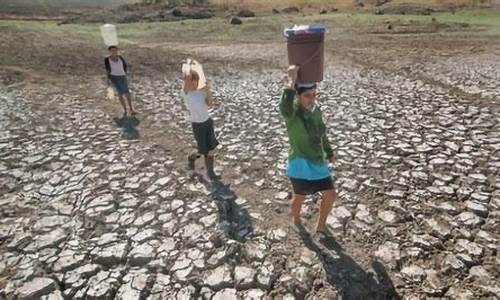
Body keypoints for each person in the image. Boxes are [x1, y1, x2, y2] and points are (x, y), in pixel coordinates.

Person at [279, 65, 336, 237]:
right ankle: (296, 220)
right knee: (299, 198)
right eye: (306, 96)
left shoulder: (316, 111)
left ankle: (321, 226)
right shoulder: (293, 113)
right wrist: (292, 80)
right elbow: (284, 107)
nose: (311, 99)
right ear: (297, 96)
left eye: (314, 95)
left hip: (318, 161)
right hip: (300, 163)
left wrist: (329, 150)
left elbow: (321, 133)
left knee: (330, 195)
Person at [182, 70, 219, 180]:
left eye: (196, 81)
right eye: (192, 81)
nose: (195, 84)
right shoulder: (186, 93)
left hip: (207, 122)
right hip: (197, 125)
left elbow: (210, 105)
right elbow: (185, 83)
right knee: (202, 150)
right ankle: (191, 157)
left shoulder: (201, 92)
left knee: (211, 148)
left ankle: (210, 172)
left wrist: (208, 91)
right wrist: (189, 74)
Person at [104, 46, 135, 117]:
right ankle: (125, 109)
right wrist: (108, 79)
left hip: (122, 76)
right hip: (114, 77)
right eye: (112, 51)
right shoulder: (107, 60)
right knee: (120, 93)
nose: (114, 52)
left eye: (115, 50)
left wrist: (125, 74)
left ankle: (131, 108)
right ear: (110, 52)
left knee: (127, 92)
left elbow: (125, 67)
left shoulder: (120, 58)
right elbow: (107, 70)